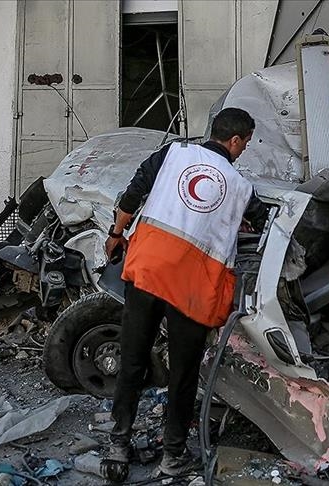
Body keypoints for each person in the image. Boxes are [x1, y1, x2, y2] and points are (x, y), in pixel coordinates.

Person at [103, 107, 261, 478]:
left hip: (148, 271)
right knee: (184, 373)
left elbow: (132, 196)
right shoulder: (241, 188)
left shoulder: (173, 154)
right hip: (193, 287)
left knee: (132, 360)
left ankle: (118, 446)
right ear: (234, 140)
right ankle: (172, 456)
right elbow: (262, 223)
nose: (244, 150)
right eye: (245, 143)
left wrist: (115, 235)